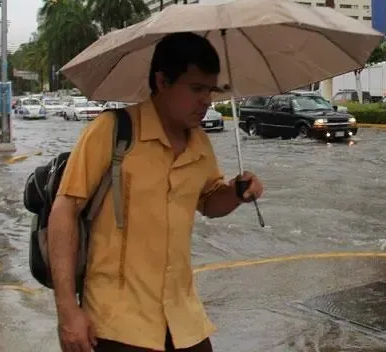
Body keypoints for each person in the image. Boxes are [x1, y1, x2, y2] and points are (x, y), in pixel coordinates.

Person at [48, 32, 264, 352]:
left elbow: (208, 202)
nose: (206, 100)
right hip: (116, 323)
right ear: (162, 81)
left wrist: (236, 193)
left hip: (184, 319)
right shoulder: (114, 131)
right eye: (196, 88)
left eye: (211, 90)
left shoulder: (200, 143)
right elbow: (65, 210)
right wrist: (68, 312)